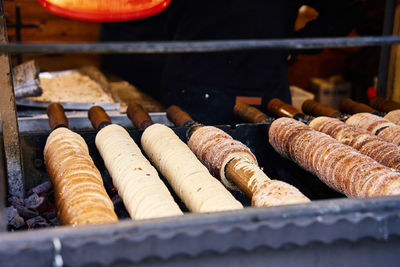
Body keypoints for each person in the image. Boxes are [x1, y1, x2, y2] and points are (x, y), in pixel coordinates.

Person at [101, 0, 364, 125]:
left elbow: (347, 11)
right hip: (202, 87)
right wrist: (294, 45)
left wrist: (295, 44)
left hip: (242, 89)